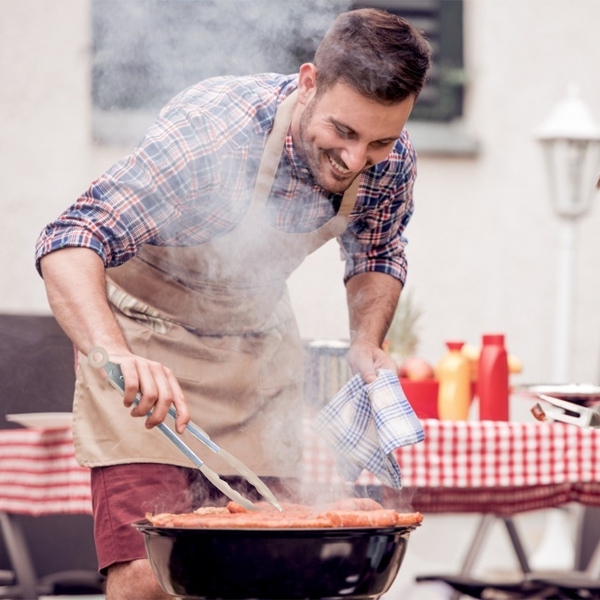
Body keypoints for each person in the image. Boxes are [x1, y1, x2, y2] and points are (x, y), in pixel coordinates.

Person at [35, 8, 431, 599]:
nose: (355, 160)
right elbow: (68, 240)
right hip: (144, 345)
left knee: (273, 567)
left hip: (256, 353)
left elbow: (377, 253)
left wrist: (366, 341)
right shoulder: (212, 136)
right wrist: (113, 353)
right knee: (150, 575)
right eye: (343, 133)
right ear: (308, 83)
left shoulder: (389, 160)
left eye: (378, 139)